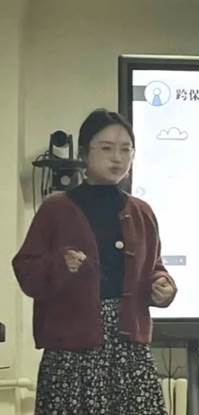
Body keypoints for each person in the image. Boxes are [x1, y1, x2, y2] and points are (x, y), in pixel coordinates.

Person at [12, 109, 177, 414]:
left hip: (129, 348)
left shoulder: (141, 211)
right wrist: (61, 265)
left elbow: (154, 267)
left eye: (126, 149)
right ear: (84, 152)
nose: (117, 158)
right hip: (71, 348)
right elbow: (26, 270)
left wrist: (162, 285)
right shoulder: (56, 208)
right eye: (106, 148)